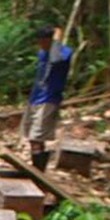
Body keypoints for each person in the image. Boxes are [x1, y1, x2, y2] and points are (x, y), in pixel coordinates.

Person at [23, 24, 73, 171]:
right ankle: (37, 171)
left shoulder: (64, 52)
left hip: (49, 99)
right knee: (33, 138)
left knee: (37, 137)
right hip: (35, 98)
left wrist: (56, 39)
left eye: (43, 41)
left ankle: (39, 174)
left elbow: (56, 59)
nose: (41, 45)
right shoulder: (42, 53)